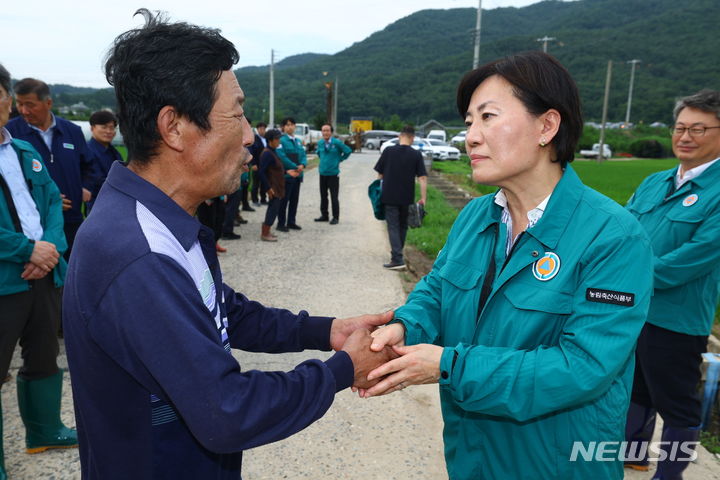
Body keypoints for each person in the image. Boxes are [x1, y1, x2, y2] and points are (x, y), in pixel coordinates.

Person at [62, 11, 394, 479]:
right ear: (174, 127)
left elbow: (220, 310)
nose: (249, 137)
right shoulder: (136, 253)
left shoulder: (162, 220)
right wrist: (343, 369)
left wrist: (326, 330)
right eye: (236, 114)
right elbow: (226, 411)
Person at [363, 52, 654, 480]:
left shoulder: (614, 237)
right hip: (472, 456)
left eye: (488, 117)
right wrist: (406, 326)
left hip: (555, 464)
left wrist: (452, 366)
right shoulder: (477, 217)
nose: (471, 137)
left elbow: (583, 368)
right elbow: (438, 290)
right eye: (468, 123)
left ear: (547, 126)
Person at [624, 89, 720, 480]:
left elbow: (694, 258)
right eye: (680, 127)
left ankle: (670, 474)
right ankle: (632, 455)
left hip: (677, 319)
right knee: (635, 389)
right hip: (634, 311)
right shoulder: (654, 182)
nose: (685, 136)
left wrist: (625, 276)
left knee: (677, 402)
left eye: (698, 128)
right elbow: (622, 232)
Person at [0, 63, 77, 480]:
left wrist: (47, 250)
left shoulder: (24, 152)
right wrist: (29, 250)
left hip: (44, 274)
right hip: (5, 279)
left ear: (8, 99)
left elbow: (51, 202)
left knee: (44, 352)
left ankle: (45, 429)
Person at [7, 78, 96, 260]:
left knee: (72, 273)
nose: (24, 111)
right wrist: (50, 201)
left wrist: (85, 188)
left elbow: (89, 166)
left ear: (48, 103)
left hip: (72, 218)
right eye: (20, 104)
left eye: (30, 105)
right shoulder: (10, 133)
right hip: (35, 225)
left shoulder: (72, 131)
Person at [373, 125, 427, 270]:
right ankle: (398, 254)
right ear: (412, 138)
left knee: (393, 226)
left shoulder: (389, 151)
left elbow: (380, 175)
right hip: (407, 197)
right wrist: (423, 198)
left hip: (389, 195)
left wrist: (378, 190)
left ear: (399, 136)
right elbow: (422, 178)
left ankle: (397, 259)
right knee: (403, 226)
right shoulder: (416, 154)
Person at [86, 110, 124, 213]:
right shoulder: (87, 151)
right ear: (92, 128)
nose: (108, 131)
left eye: (112, 128)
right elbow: (97, 180)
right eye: (104, 127)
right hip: (97, 206)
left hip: (116, 203)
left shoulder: (115, 152)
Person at [315, 123, 351, 224]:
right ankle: (324, 215)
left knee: (334, 196)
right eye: (323, 130)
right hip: (322, 173)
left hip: (333, 174)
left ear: (331, 132)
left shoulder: (337, 143)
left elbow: (348, 151)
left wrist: (340, 159)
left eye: (327, 130)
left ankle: (335, 217)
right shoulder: (321, 143)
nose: (325, 132)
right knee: (323, 196)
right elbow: (318, 153)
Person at [276, 117, 306, 232]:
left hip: (298, 175)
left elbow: (303, 154)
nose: (290, 127)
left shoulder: (298, 141)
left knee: (294, 200)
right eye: (287, 125)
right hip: (287, 176)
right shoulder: (281, 140)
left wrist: (303, 165)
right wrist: (295, 166)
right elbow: (282, 157)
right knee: (284, 200)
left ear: (295, 126)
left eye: (292, 124)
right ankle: (281, 223)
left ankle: (291, 222)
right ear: (283, 127)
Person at [258, 129, 286, 242]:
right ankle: (265, 233)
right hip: (273, 187)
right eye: (277, 139)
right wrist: (268, 188)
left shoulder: (273, 151)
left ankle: (267, 230)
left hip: (277, 186)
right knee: (272, 209)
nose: (279, 141)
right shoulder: (267, 154)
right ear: (270, 140)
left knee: (274, 209)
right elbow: (261, 172)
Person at [250, 121, 268, 205]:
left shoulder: (267, 139)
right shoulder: (254, 139)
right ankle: (254, 200)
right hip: (256, 164)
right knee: (256, 183)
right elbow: (251, 152)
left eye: (264, 129)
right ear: (257, 130)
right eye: (260, 129)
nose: (262, 130)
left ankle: (263, 199)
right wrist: (253, 163)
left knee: (264, 182)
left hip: (265, 165)